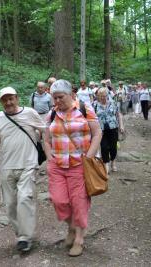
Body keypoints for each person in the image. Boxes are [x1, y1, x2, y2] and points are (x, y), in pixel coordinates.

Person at [0, 87, 46, 252]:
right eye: (5, 99)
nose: (8, 102)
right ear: (1, 102)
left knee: (25, 198)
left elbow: (45, 131)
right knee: (10, 204)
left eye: (11, 98)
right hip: (7, 166)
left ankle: (25, 237)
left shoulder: (30, 113)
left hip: (29, 163)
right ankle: (21, 234)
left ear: (17, 98)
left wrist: (50, 153)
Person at [44, 79, 102, 257]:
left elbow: (97, 133)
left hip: (79, 164)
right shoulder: (52, 114)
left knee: (79, 203)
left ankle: (79, 238)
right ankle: (70, 226)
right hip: (58, 165)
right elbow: (46, 139)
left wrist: (89, 157)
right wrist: (49, 158)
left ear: (71, 94)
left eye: (60, 97)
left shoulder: (84, 110)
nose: (57, 101)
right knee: (59, 200)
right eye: (54, 98)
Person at [94, 88, 125, 174]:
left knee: (113, 147)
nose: (103, 98)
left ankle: (113, 162)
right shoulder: (95, 105)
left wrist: (121, 125)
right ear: (98, 96)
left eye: (105, 96)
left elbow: (119, 114)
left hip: (113, 128)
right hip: (101, 130)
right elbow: (92, 118)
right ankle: (105, 165)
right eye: (101, 96)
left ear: (107, 95)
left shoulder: (113, 103)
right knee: (104, 147)